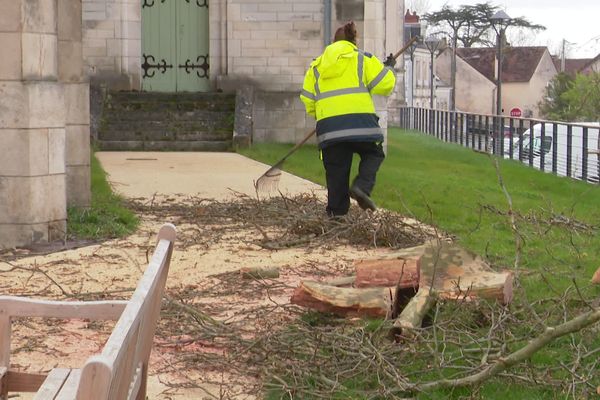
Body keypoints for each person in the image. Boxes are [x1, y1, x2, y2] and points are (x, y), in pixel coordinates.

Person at [300, 21, 396, 217]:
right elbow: (385, 85)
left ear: (333, 42)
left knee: (336, 172)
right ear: (354, 40)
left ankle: (336, 216)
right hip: (361, 126)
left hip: (330, 129)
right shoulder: (363, 59)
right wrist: (388, 68)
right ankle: (361, 187)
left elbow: (308, 100)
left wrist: (321, 115)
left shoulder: (316, 67)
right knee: (374, 154)